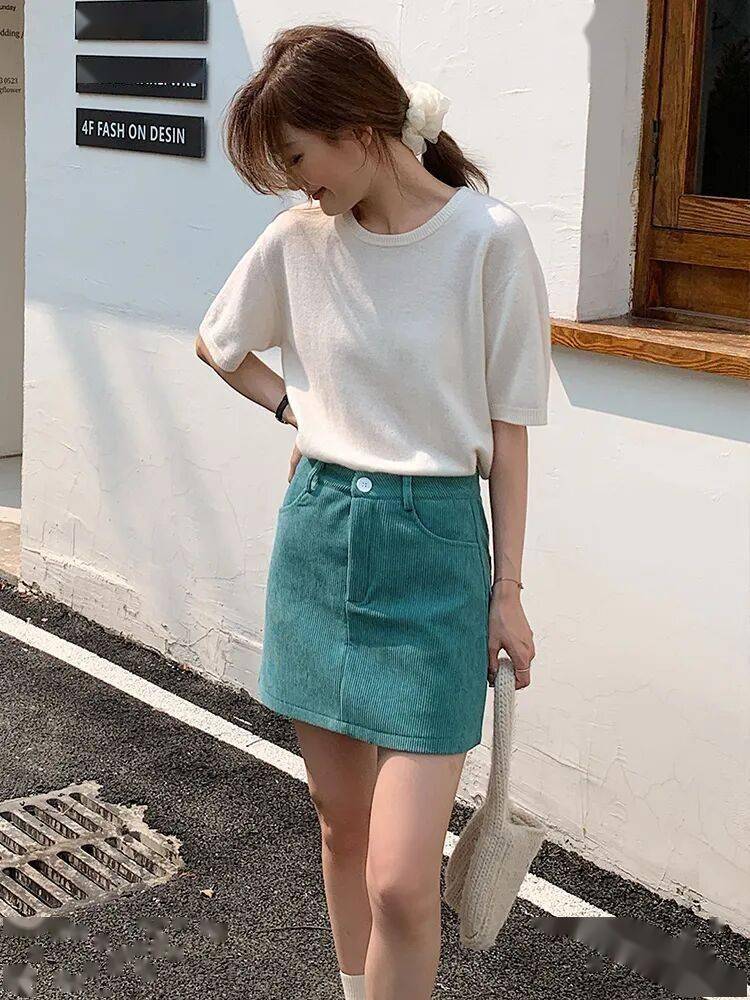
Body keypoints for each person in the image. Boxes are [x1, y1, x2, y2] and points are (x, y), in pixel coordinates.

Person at [195, 23, 551, 1000]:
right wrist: (296, 410)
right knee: (340, 825)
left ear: (357, 127)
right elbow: (218, 343)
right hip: (319, 541)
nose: (293, 184)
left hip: (435, 556)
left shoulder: (488, 238)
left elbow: (510, 430)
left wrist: (508, 590)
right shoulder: (298, 242)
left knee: (401, 880)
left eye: (295, 158)